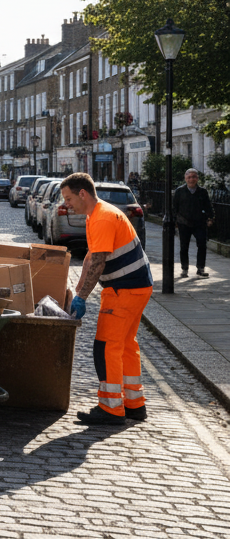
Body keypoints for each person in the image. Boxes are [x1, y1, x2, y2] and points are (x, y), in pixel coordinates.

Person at [60, 172, 152, 425]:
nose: (66, 204)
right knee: (125, 345)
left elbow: (99, 262)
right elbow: (90, 257)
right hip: (137, 287)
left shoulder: (101, 218)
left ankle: (111, 408)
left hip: (124, 290)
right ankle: (134, 404)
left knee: (106, 346)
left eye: (68, 198)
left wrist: (82, 297)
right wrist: (76, 293)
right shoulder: (96, 214)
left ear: (83, 193)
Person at [171, 168, 214, 278]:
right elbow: (174, 207)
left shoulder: (202, 191)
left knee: (202, 245)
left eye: (194, 177)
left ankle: (200, 268)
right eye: (189, 177)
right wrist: (175, 220)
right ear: (185, 178)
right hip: (183, 222)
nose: (191, 179)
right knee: (184, 246)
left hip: (199, 222)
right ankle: (184, 269)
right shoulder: (179, 191)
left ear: (197, 178)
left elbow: (208, 206)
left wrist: (210, 217)